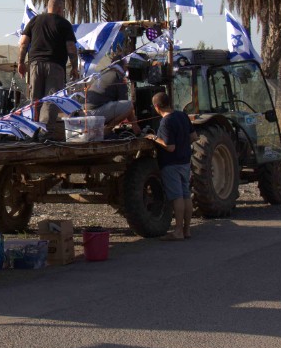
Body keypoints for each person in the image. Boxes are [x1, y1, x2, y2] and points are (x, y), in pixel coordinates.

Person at [17, 0, 79, 126]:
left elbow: (23, 43)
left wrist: (21, 62)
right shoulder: (64, 23)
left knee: (35, 100)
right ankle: (45, 133)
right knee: (51, 100)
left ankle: (34, 130)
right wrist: (74, 67)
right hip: (55, 66)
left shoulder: (34, 20)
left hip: (35, 65)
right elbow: (71, 48)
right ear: (59, 9)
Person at [145, 91, 197, 240]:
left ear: (156, 107)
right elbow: (194, 137)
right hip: (185, 161)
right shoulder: (182, 115)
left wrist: (154, 137)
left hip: (171, 163)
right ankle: (187, 230)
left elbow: (170, 146)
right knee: (186, 194)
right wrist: (183, 146)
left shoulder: (166, 121)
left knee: (177, 197)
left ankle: (178, 231)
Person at [83, 59, 141, 135]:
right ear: (123, 66)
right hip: (96, 112)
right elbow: (126, 105)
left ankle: (105, 130)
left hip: (87, 112)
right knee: (129, 105)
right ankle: (106, 130)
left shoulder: (104, 73)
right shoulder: (118, 76)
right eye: (126, 66)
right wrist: (135, 125)